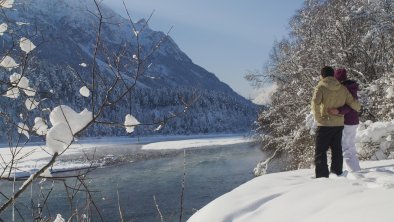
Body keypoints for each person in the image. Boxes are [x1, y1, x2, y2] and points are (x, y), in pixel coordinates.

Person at [311, 66, 361, 178]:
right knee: (337, 149)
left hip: (325, 124)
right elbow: (353, 103)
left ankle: (322, 176)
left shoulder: (321, 87)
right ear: (333, 75)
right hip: (339, 124)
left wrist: (319, 119)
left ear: (322, 75)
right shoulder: (342, 88)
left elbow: (315, 104)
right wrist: (358, 107)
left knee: (320, 150)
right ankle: (337, 172)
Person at [327, 68, 361, 172]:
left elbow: (349, 106)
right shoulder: (351, 87)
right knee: (350, 145)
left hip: (347, 121)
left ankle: (353, 171)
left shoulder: (345, 89)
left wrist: (338, 111)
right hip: (353, 120)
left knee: (345, 147)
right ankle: (356, 168)